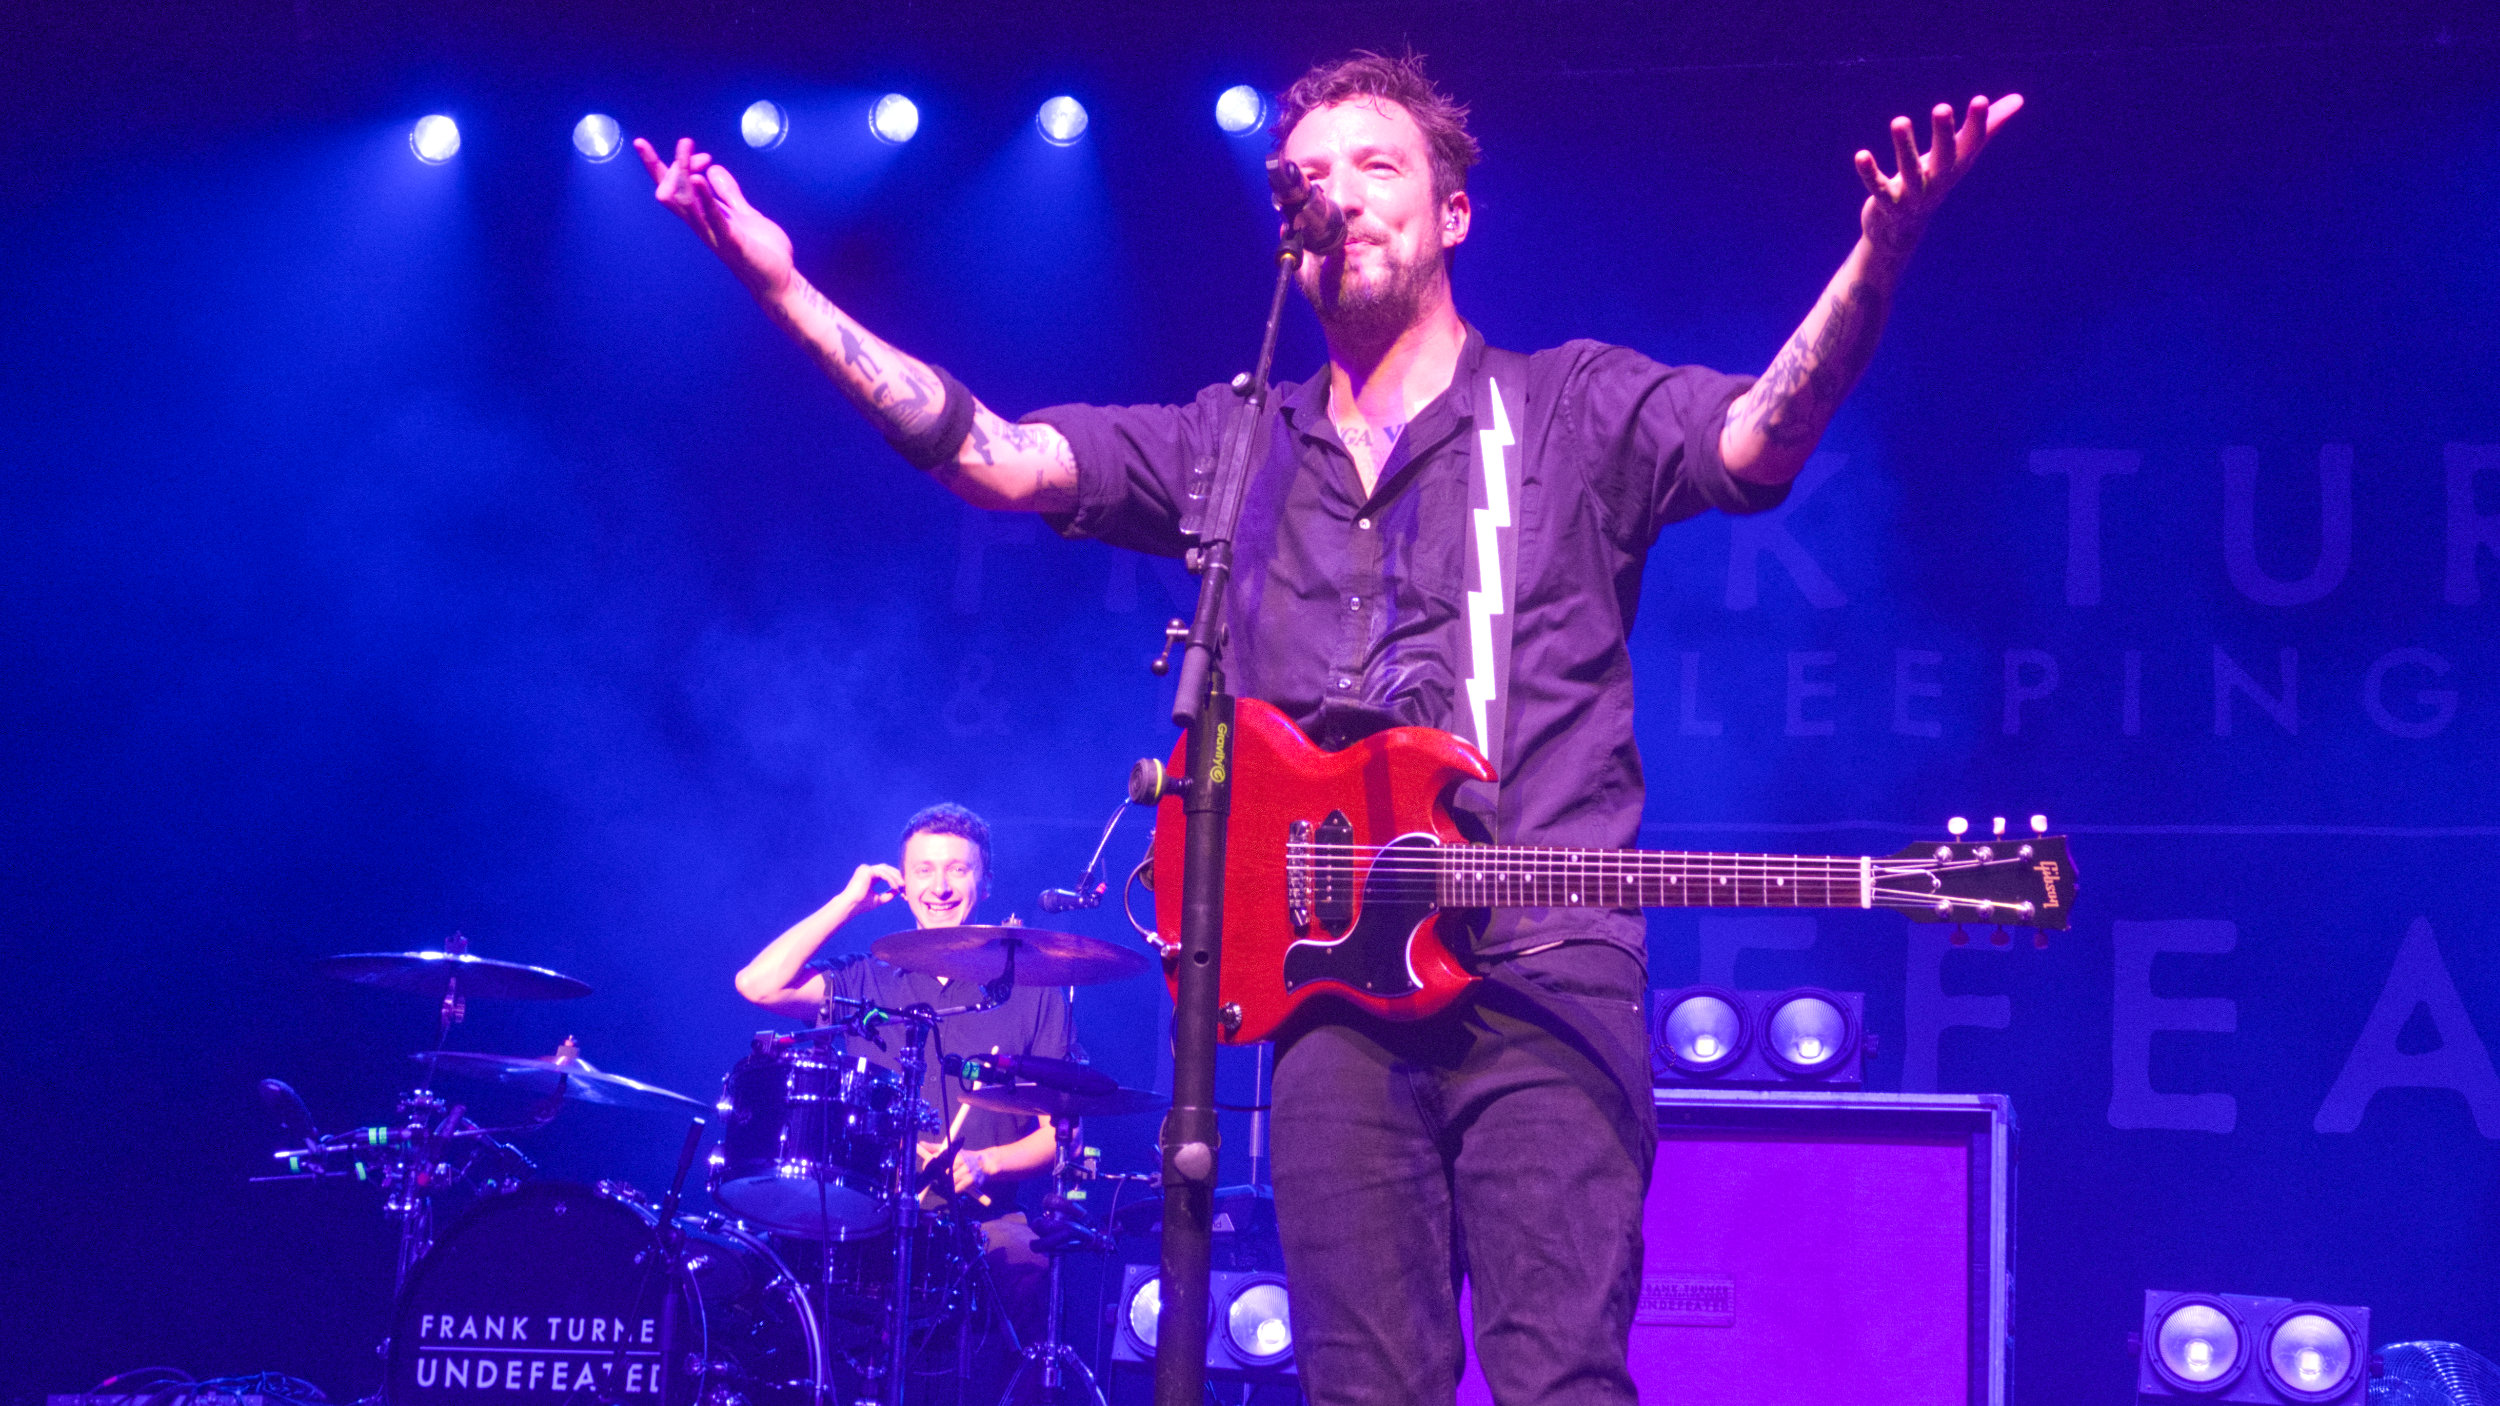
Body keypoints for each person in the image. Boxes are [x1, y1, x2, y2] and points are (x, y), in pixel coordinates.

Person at [654, 52, 2018, 1406]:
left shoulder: (1571, 408)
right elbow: (995, 456)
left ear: (1453, 212)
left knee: (1559, 1376)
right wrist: (780, 282)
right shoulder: (1231, 441)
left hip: (1544, 967)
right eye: (1312, 178)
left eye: (1379, 167)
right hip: (1327, 990)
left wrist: (1876, 259)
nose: (1344, 197)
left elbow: (1752, 444)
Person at [735, 803, 1072, 1383]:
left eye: (957, 870)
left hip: (983, 1224)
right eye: (923, 870)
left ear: (984, 882)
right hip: (872, 1215)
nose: (939, 886)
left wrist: (986, 1162)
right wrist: (850, 903)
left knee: (1025, 1258)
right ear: (903, 879)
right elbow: (758, 984)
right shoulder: (867, 978)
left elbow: (1058, 1139)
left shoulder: (1033, 989)